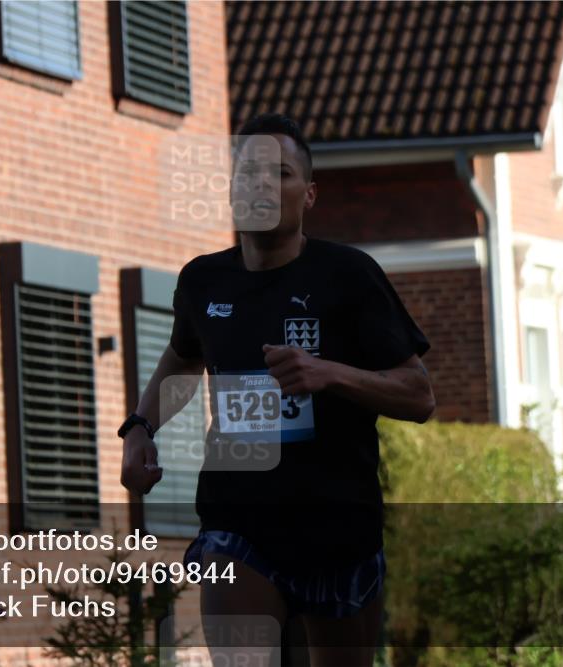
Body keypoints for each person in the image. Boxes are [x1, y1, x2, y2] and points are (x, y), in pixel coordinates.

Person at [119, 112, 434, 667]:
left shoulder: (350, 276)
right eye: (249, 173)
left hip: (337, 525)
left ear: (308, 194)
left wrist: (329, 373)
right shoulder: (202, 281)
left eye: (281, 173)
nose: (262, 183)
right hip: (237, 520)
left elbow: (418, 394)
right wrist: (142, 427)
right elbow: (184, 358)